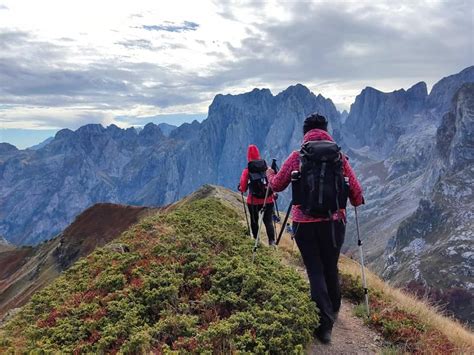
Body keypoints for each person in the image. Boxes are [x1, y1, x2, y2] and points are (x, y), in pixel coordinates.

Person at [266, 113, 364, 344]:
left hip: (304, 223)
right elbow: (357, 194)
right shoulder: (340, 157)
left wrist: (270, 173)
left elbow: (277, 185)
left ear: (305, 133)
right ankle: (334, 308)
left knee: (315, 270)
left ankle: (324, 325)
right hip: (334, 223)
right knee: (330, 266)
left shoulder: (296, 157)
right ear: (326, 131)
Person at [238, 144, 276, 246]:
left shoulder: (247, 171)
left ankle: (256, 241)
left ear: (248, 156)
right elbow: (273, 182)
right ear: (258, 154)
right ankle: (272, 242)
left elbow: (243, 187)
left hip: (253, 201)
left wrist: (240, 188)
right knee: (268, 221)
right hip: (268, 199)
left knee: (254, 220)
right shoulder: (267, 168)